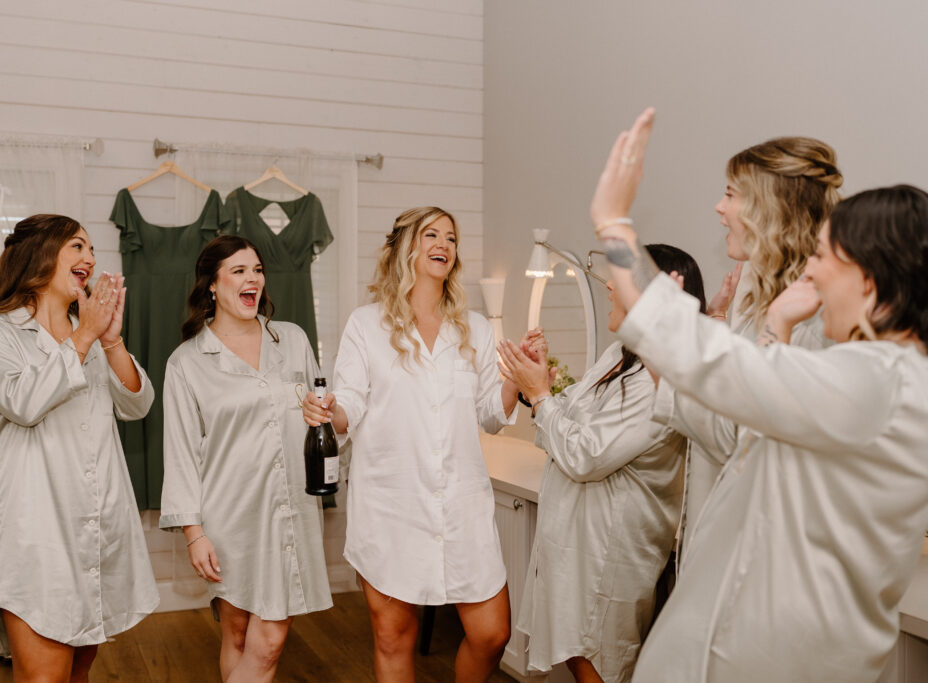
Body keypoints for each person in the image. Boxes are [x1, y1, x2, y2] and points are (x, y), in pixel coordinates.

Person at [592, 108, 928, 682]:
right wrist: (772, 324)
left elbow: (725, 371)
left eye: (826, 260)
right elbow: (762, 410)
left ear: (869, 280)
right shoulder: (874, 375)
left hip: (780, 648)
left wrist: (614, 224)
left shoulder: (880, 382)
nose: (814, 278)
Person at [303, 207, 521, 683]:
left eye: (451, 237)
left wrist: (518, 381)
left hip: (462, 504)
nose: (443, 243)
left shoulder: (477, 328)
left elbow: (490, 412)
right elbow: (350, 409)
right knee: (392, 636)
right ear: (408, 247)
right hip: (391, 504)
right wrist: (328, 412)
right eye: (431, 234)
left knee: (491, 634)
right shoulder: (367, 325)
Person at [0, 214, 158, 683]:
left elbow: (137, 403)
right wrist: (85, 336)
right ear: (39, 255)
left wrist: (111, 339)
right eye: (77, 246)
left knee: (77, 673)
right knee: (45, 677)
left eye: (91, 249)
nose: (90, 258)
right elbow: (24, 402)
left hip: (98, 525)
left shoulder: (85, 333)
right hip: (35, 534)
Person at [496, 244, 704, 683]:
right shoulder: (618, 356)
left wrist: (539, 396)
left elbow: (583, 454)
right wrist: (543, 388)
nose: (609, 284)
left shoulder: (656, 381)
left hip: (611, 548)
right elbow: (567, 418)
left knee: (601, 662)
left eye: (622, 280)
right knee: (579, 655)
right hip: (579, 537)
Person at [160, 235, 331, 683]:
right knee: (236, 635)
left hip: (291, 509)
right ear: (212, 286)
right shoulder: (187, 363)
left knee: (269, 641)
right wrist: (195, 535)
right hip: (229, 519)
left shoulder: (291, 339)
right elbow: (180, 454)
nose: (252, 278)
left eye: (256, 269)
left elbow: (321, 420)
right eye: (238, 271)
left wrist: (324, 417)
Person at [676, 136, 843, 555]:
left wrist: (671, 351)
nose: (719, 207)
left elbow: (742, 436)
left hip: (766, 547)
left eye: (730, 194)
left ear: (770, 210)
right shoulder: (756, 294)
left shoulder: (819, 318)